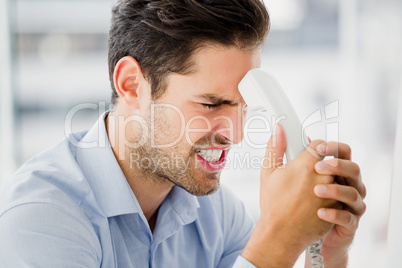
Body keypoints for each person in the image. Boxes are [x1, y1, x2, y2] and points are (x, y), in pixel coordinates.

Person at [0, 0, 366, 267]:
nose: (235, 134)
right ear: (131, 85)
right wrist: (279, 240)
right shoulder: (41, 220)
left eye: (242, 107)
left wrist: (327, 254)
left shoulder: (214, 212)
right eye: (211, 105)